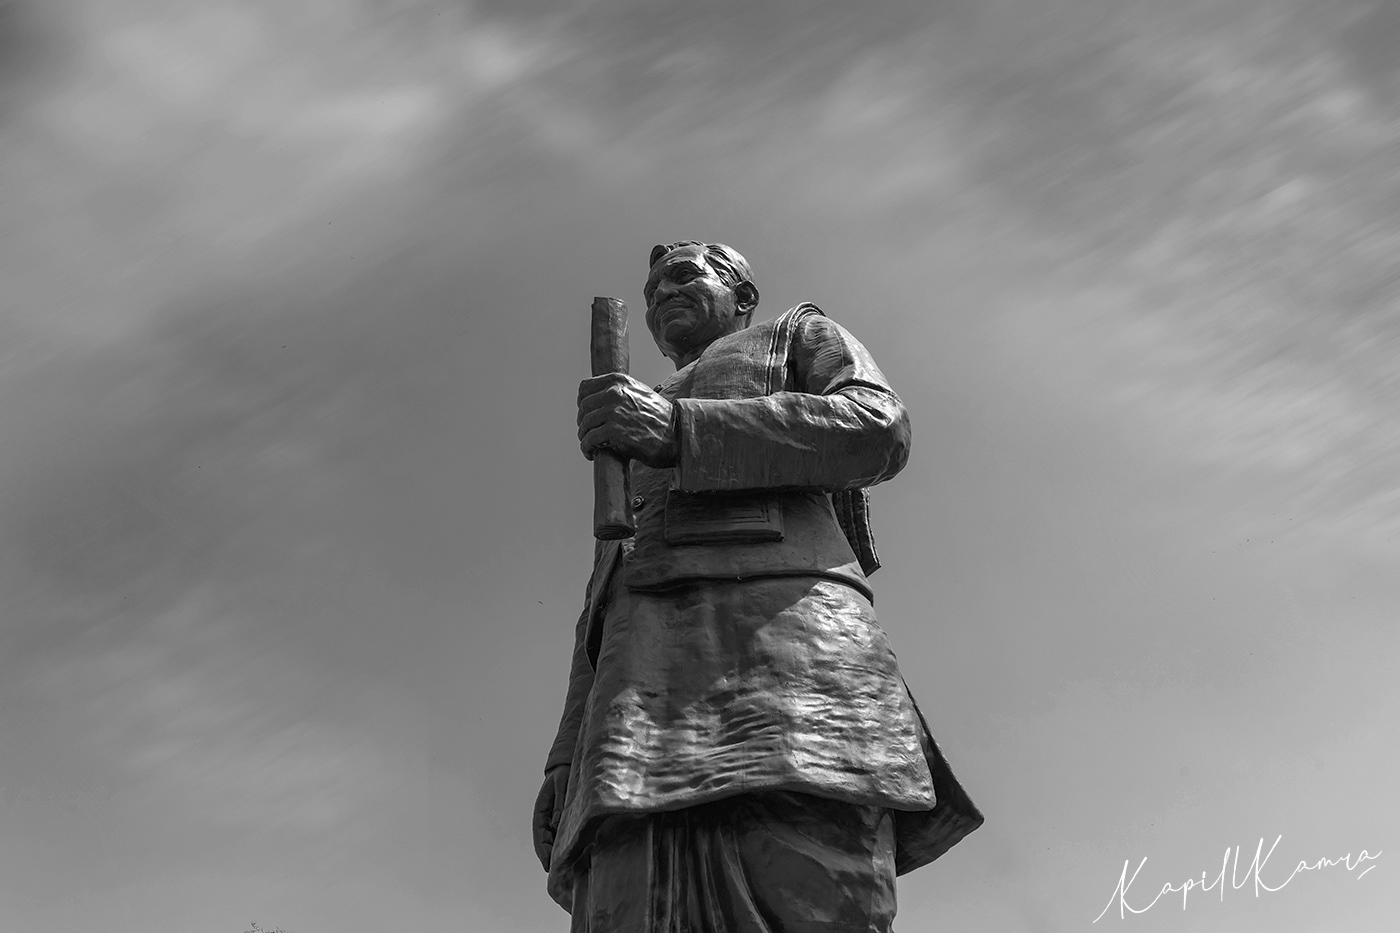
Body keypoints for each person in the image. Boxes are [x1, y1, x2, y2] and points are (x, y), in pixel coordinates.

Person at [534, 241, 981, 932]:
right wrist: (566, 749)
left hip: (786, 642)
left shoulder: (795, 335)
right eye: (652, 291)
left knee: (804, 866)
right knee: (628, 894)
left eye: (684, 275)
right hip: (635, 688)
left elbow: (876, 428)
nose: (663, 295)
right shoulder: (633, 409)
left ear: (741, 295)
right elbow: (604, 588)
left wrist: (681, 430)